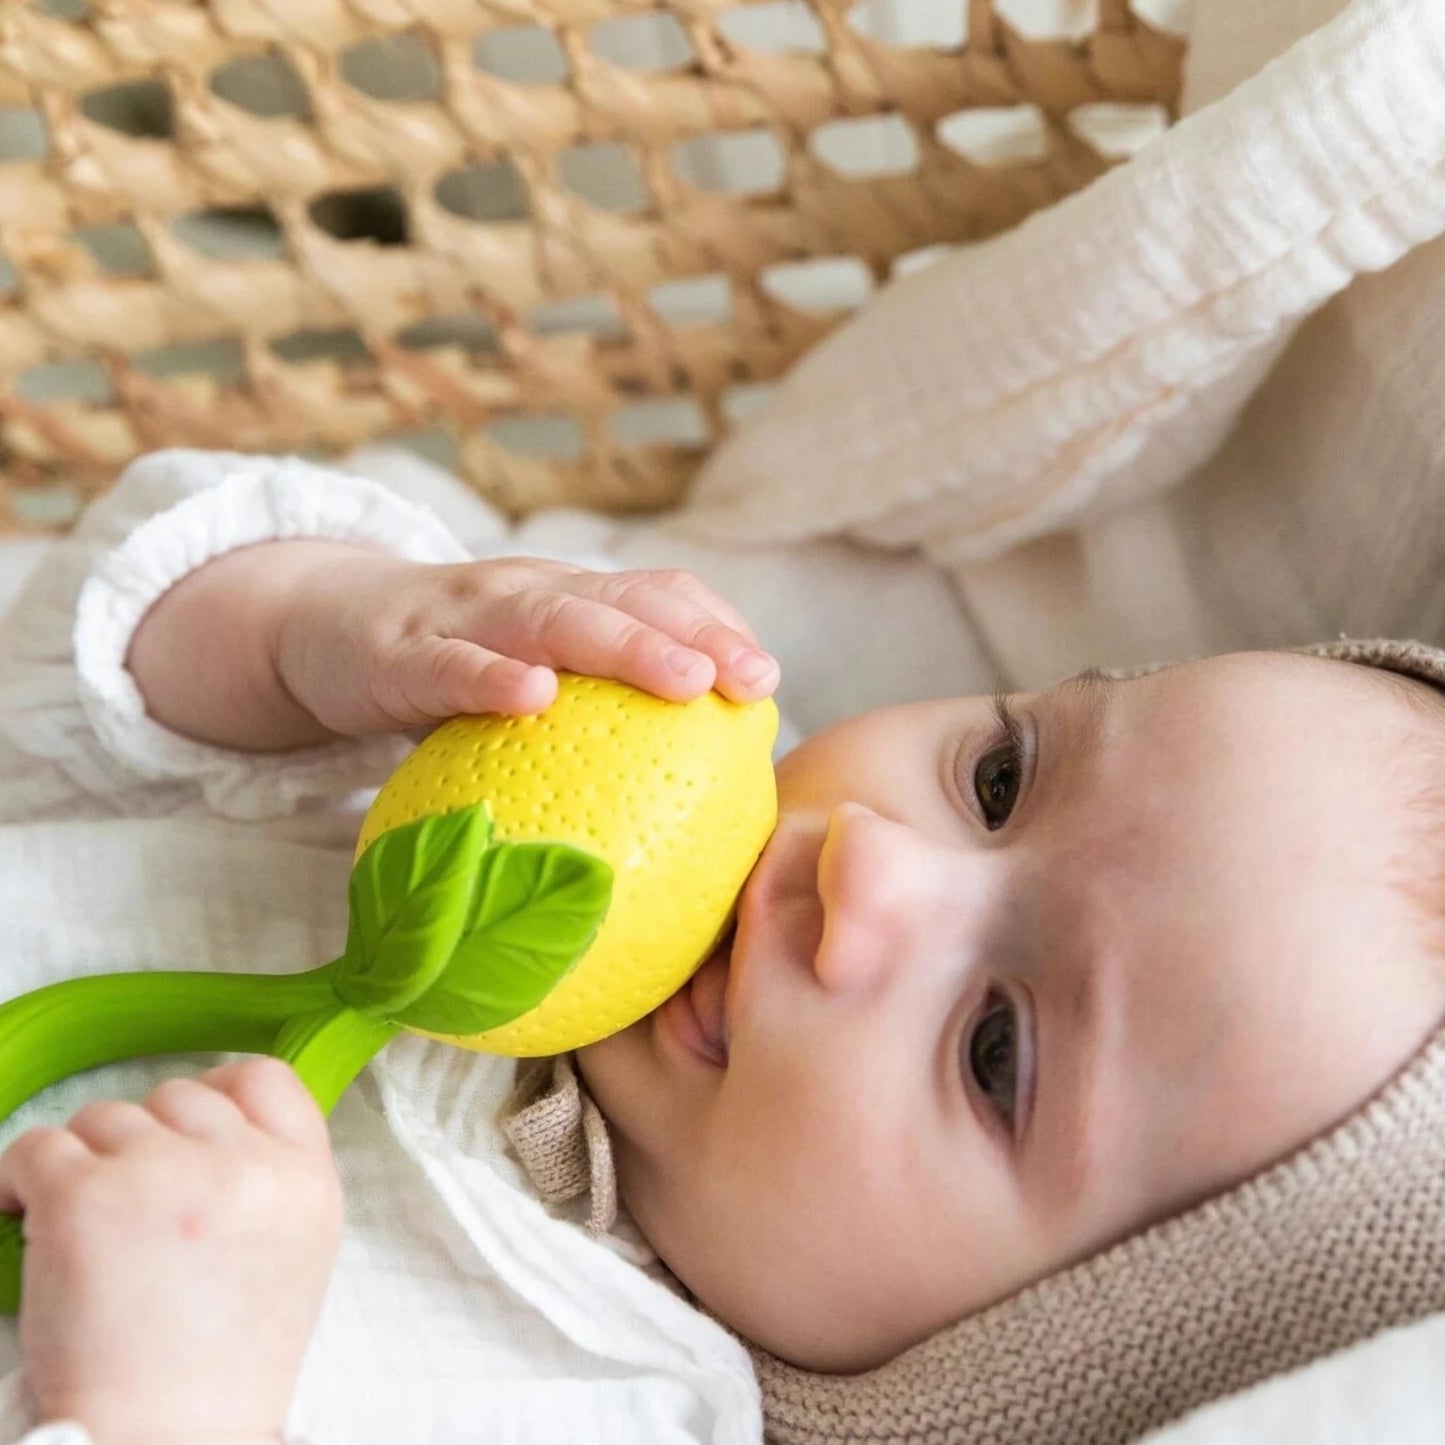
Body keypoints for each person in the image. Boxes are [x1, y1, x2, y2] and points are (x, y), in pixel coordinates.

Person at [0, 449, 1443, 1445]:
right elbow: (57, 692)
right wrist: (313, 630)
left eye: (996, 1050)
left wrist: (164, 1406)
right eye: (1000, 779)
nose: (869, 866)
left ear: (1022, 1367)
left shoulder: (603, 1409)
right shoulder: (522, 773)